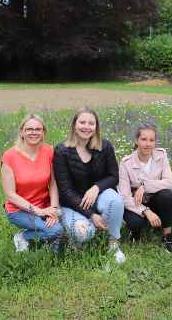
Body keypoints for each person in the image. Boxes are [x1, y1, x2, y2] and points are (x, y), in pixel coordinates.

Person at [53, 107, 126, 263]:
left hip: (99, 196)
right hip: (71, 203)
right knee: (83, 233)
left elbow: (114, 176)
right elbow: (65, 191)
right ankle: (74, 234)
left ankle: (113, 242)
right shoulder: (62, 151)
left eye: (91, 123)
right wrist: (91, 215)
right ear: (74, 125)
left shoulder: (104, 146)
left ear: (96, 127)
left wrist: (96, 188)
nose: (86, 126)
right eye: (82, 122)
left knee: (116, 201)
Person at [1, 114, 63, 252]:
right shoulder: (9, 156)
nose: (33, 132)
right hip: (19, 209)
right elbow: (10, 195)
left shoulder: (49, 151)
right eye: (29, 129)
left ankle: (54, 255)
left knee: (66, 226)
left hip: (45, 205)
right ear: (21, 132)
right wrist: (40, 212)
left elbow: (53, 183)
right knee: (56, 230)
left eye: (38, 129)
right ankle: (24, 237)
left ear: (43, 133)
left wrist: (52, 209)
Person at [118, 123, 172, 253]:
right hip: (135, 204)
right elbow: (125, 197)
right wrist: (146, 211)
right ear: (136, 140)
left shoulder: (161, 156)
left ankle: (167, 237)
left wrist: (144, 186)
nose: (147, 144)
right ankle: (135, 232)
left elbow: (169, 183)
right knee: (135, 222)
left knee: (167, 195)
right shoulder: (126, 163)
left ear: (155, 142)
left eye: (151, 140)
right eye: (143, 139)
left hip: (155, 200)